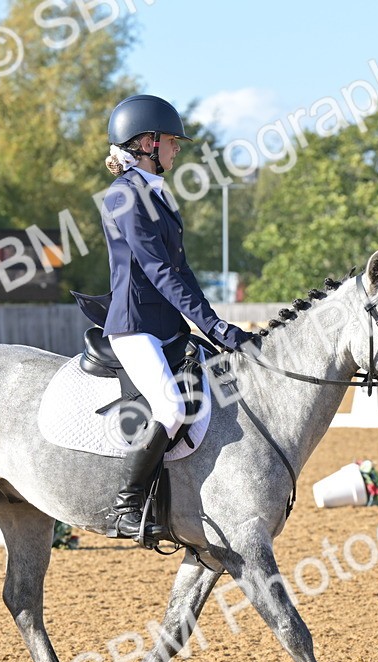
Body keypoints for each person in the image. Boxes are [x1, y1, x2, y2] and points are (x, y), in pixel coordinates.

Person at [89, 94, 255, 546]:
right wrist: (215, 328)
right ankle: (128, 504)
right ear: (145, 142)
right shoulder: (124, 196)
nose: (176, 149)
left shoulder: (153, 193)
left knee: (218, 383)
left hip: (166, 327)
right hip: (134, 325)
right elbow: (158, 271)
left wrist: (218, 325)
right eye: (170, 142)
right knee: (171, 407)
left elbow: (181, 271)